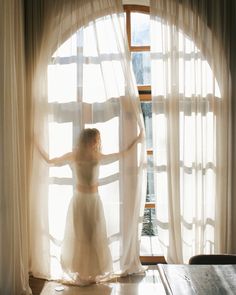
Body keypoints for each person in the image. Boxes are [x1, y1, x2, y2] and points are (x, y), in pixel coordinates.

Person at [35, 127, 143, 286]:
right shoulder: (74, 154)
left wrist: (137, 139)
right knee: (80, 236)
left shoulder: (97, 155)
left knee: (93, 237)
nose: (98, 142)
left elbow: (122, 154)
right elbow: (51, 161)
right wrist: (36, 145)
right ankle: (80, 272)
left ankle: (92, 272)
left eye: (98, 140)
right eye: (96, 139)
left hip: (93, 201)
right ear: (89, 139)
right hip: (79, 201)